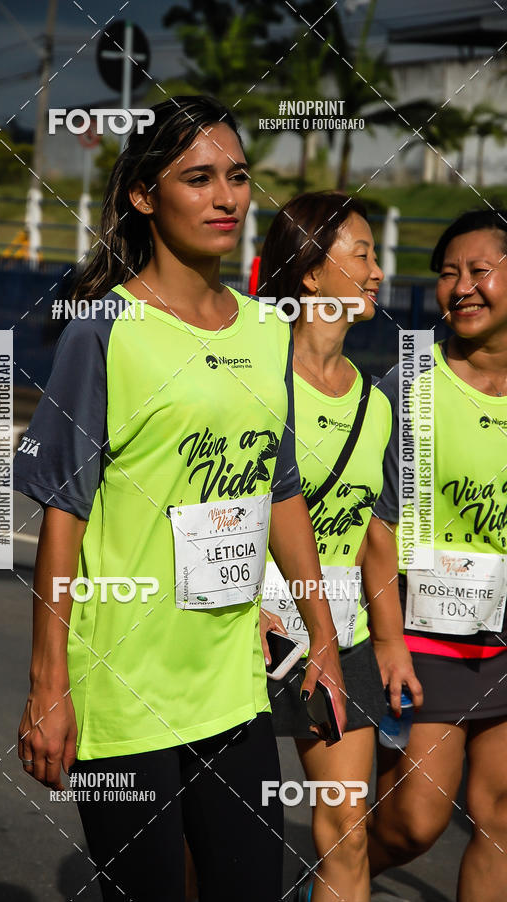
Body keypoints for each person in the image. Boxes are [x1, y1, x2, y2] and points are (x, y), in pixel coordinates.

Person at [13, 96, 346, 902]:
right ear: (143, 196)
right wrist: (47, 687)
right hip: (123, 689)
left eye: (236, 177)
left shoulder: (269, 331)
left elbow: (281, 490)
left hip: (231, 686)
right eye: (197, 178)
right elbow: (64, 517)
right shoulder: (104, 332)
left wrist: (324, 639)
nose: (226, 197)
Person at [258, 191, 422, 902]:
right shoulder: (255, 380)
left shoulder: (375, 401)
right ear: (311, 273)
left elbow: (373, 534)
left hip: (340, 637)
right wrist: (240, 612)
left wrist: (389, 641)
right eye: (362, 254)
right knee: (212, 835)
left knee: (347, 828)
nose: (378, 270)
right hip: (244, 632)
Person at [367, 209, 507, 901]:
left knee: (501, 817)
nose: (461, 288)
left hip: (506, 640)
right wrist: (388, 640)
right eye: (449, 274)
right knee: (416, 823)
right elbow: (378, 528)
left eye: (479, 271)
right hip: (424, 641)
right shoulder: (412, 385)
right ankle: (338, 873)